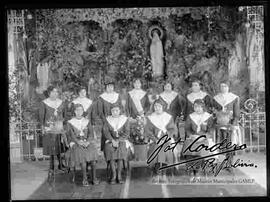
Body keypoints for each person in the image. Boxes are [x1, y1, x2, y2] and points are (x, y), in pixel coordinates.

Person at [145, 98, 177, 183]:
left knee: (166, 151)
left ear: (163, 107)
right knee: (156, 150)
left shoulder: (168, 117)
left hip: (167, 139)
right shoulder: (150, 118)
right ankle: (156, 173)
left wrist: (165, 138)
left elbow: (172, 129)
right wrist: (157, 140)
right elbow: (148, 131)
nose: (157, 108)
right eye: (155, 106)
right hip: (155, 140)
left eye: (159, 106)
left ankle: (164, 174)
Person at [66, 104, 99, 186]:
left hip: (86, 142)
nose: (79, 112)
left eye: (81, 110)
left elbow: (91, 134)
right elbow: (71, 135)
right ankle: (85, 179)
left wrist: (87, 141)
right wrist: (78, 142)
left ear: (83, 111)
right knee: (82, 158)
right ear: (74, 111)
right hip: (76, 143)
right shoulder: (70, 122)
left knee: (93, 156)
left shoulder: (87, 121)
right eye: (77, 110)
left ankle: (94, 178)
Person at [39, 85, 67, 180]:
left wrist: (63, 125)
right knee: (51, 147)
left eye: (56, 92)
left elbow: (64, 115)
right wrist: (43, 127)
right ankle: (51, 166)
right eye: (53, 92)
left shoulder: (61, 103)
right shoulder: (44, 103)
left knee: (59, 146)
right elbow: (42, 116)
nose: (55, 93)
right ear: (49, 93)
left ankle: (60, 164)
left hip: (59, 127)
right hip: (49, 128)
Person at [212, 80, 240, 173]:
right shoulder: (216, 98)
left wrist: (234, 123)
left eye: (225, 86)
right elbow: (214, 110)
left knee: (230, 145)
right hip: (219, 125)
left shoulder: (234, 98)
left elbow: (236, 113)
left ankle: (229, 164)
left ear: (228, 87)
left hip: (229, 125)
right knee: (218, 145)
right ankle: (215, 163)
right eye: (221, 86)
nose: (223, 88)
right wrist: (215, 115)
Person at [182, 99, 214, 177]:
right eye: (196, 107)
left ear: (203, 107)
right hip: (192, 138)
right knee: (188, 150)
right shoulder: (190, 116)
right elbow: (187, 129)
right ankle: (191, 171)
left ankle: (197, 171)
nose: (198, 109)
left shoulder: (208, 117)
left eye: (199, 107)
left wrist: (203, 137)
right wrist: (191, 136)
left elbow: (211, 130)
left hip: (204, 139)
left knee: (200, 151)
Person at [102, 103, 130, 184]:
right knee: (110, 151)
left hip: (122, 140)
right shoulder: (107, 120)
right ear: (110, 111)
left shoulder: (124, 119)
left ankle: (119, 175)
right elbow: (106, 132)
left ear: (120, 111)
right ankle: (113, 175)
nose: (115, 112)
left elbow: (127, 132)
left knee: (120, 152)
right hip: (110, 140)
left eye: (116, 110)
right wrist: (112, 140)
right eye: (113, 110)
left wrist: (118, 140)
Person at [97, 79, 122, 153]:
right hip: (107, 120)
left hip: (117, 119)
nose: (110, 88)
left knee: (118, 133)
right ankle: (107, 152)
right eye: (108, 86)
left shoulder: (117, 96)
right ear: (105, 87)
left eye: (111, 86)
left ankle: (119, 151)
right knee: (107, 135)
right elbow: (100, 111)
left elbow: (121, 108)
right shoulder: (102, 97)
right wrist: (106, 121)